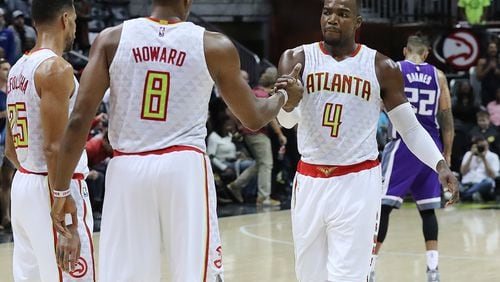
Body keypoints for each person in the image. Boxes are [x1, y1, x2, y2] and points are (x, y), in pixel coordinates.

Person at [50, 0, 302, 281]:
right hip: (184, 167)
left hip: (127, 168)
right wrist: (282, 97)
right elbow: (254, 117)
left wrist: (61, 192)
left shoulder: (111, 38)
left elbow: (79, 120)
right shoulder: (213, 45)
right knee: (194, 273)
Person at [275, 0, 459, 281]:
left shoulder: (381, 66)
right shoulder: (295, 58)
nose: (332, 19)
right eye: (327, 12)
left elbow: (409, 129)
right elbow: (288, 122)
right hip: (309, 179)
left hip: (357, 182)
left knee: (348, 276)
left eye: (342, 14)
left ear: (358, 23)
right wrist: (289, 105)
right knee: (308, 275)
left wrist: (440, 164)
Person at [5, 0, 94, 280]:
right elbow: (54, 146)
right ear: (66, 19)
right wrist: (61, 200)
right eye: (76, 21)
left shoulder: (18, 68)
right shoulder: (56, 68)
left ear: (34, 22)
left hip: (24, 182)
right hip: (55, 186)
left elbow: (10, 149)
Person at [370, 34, 454, 282]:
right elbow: (447, 118)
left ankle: (371, 266)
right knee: (428, 211)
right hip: (432, 149)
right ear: (427, 54)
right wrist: (445, 155)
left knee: (383, 208)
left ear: (405, 50)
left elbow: (378, 105)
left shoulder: (395, 70)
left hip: (403, 146)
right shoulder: (439, 76)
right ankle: (433, 269)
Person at [460, 135, 499, 202]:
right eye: (479, 146)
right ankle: (472, 194)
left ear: (487, 145)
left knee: (488, 182)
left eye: (483, 146)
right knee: (455, 182)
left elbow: (493, 175)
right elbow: (463, 172)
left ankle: (464, 195)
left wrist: (484, 159)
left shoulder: (493, 156)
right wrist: (471, 155)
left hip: (482, 183)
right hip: (466, 183)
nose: (481, 148)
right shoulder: (468, 154)